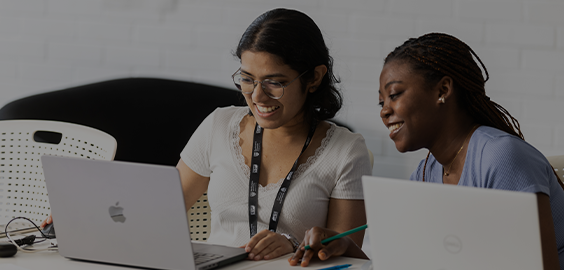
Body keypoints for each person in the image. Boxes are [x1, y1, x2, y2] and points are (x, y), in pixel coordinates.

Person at [292, 32, 563, 270]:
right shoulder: (426, 173)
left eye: (395, 95)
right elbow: (406, 260)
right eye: (380, 102)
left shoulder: (501, 157)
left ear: (443, 90)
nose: (385, 111)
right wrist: (345, 246)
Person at [177, 8, 371, 262]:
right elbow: (162, 212)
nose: (257, 96)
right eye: (247, 79)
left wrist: (293, 245)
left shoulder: (346, 151)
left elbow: (346, 258)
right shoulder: (218, 125)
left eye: (275, 83)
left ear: (314, 77)